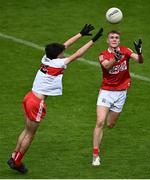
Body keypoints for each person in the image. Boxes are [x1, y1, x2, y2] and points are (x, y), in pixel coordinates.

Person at [7, 24, 103, 173]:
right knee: (31, 134)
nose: (64, 52)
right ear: (58, 55)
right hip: (36, 102)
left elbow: (64, 45)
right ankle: (17, 161)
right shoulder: (59, 63)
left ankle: (14, 155)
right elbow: (77, 54)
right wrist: (94, 40)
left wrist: (80, 34)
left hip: (29, 96)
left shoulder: (46, 58)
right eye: (62, 52)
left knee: (26, 130)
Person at [92, 30, 144, 166]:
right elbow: (107, 67)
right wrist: (116, 57)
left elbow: (140, 61)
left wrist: (139, 53)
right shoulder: (103, 55)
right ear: (107, 41)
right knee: (100, 122)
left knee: (110, 124)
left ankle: (107, 111)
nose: (114, 39)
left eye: (116, 38)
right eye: (111, 38)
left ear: (119, 40)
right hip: (106, 92)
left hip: (121, 93)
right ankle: (95, 155)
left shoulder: (125, 50)